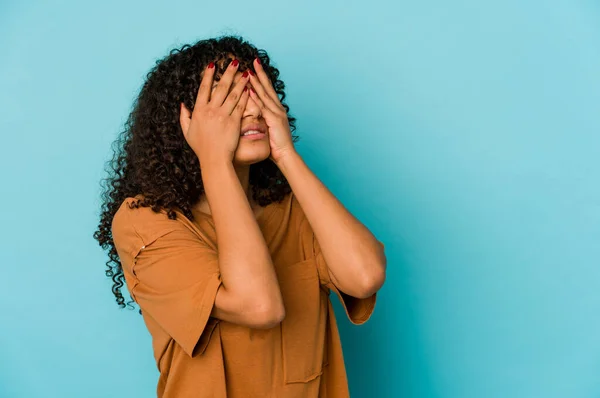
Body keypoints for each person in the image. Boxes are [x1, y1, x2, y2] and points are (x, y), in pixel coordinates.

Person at [93, 35, 386, 398]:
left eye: (258, 94)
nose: (252, 111)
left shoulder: (293, 207)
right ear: (186, 120)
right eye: (228, 98)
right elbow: (259, 305)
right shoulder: (143, 222)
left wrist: (285, 154)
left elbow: (364, 276)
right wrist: (213, 159)